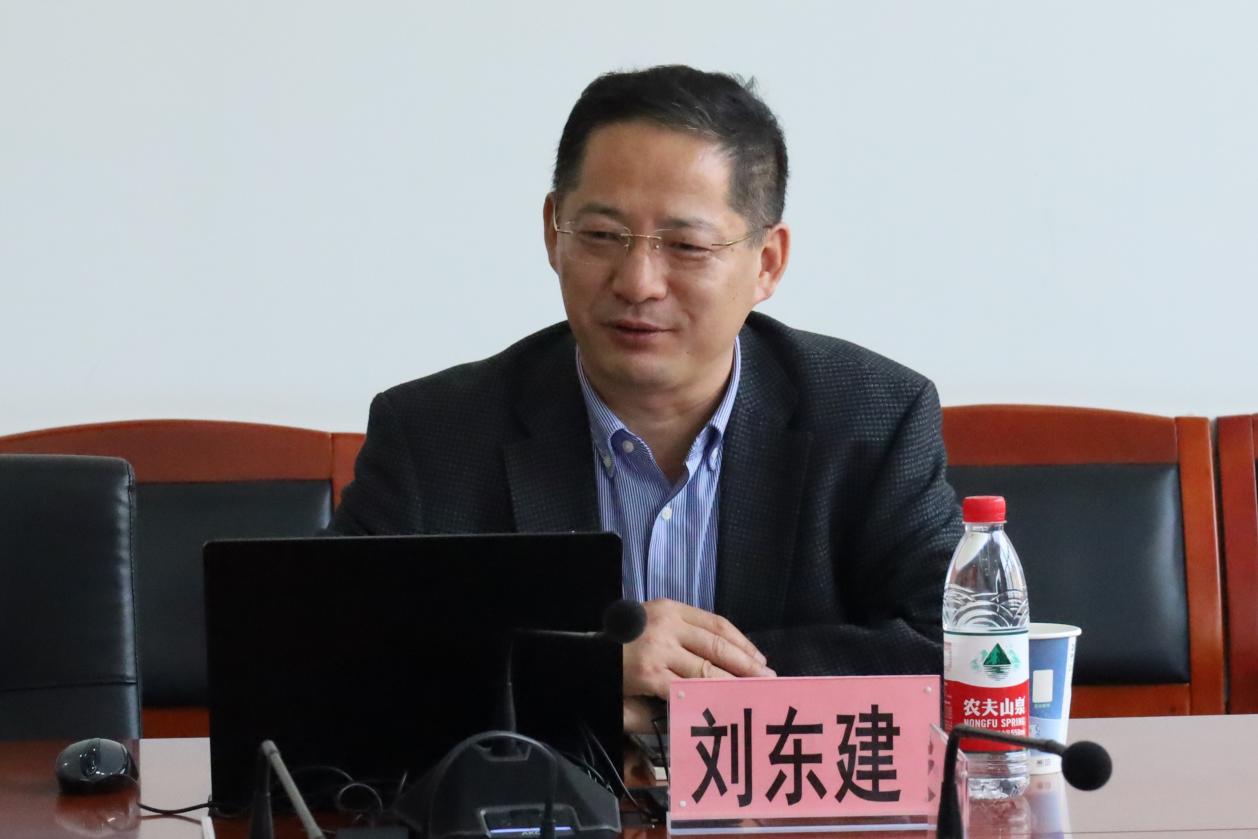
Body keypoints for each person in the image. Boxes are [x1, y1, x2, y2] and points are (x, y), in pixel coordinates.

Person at [330, 65, 962, 730]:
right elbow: (327, 658)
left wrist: (685, 686)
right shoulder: (434, 437)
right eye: (602, 236)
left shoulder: (873, 419)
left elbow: (956, 649)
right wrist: (579, 672)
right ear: (553, 232)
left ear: (767, 262)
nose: (637, 282)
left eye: (686, 246)